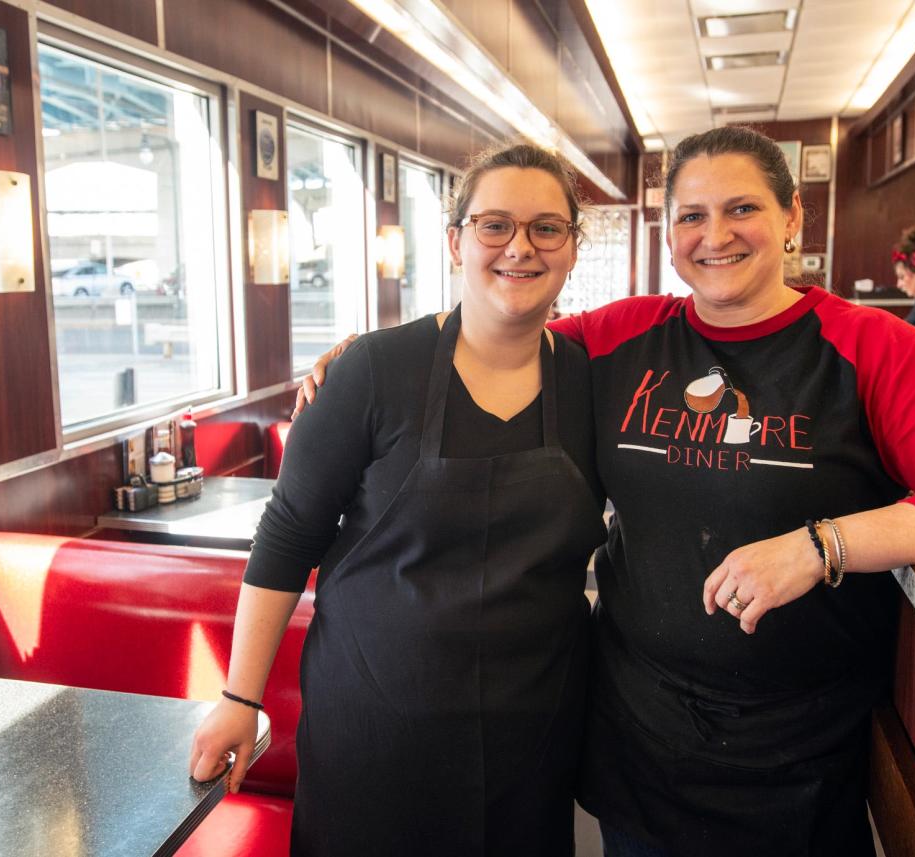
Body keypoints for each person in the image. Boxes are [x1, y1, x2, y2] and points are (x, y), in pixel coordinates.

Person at [297, 127, 915, 856]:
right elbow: (492, 330)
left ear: (791, 215)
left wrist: (823, 545)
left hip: (794, 759)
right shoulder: (623, 338)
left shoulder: (871, 348)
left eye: (743, 209)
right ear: (669, 234)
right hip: (639, 741)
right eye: (691, 215)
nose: (716, 234)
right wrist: (372, 359)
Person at [189, 142, 606, 857]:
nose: (520, 248)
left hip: (531, 733)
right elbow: (289, 532)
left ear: (571, 247)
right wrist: (239, 698)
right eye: (494, 225)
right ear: (455, 241)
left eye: (547, 228)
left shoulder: (594, 381)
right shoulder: (374, 370)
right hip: (375, 726)